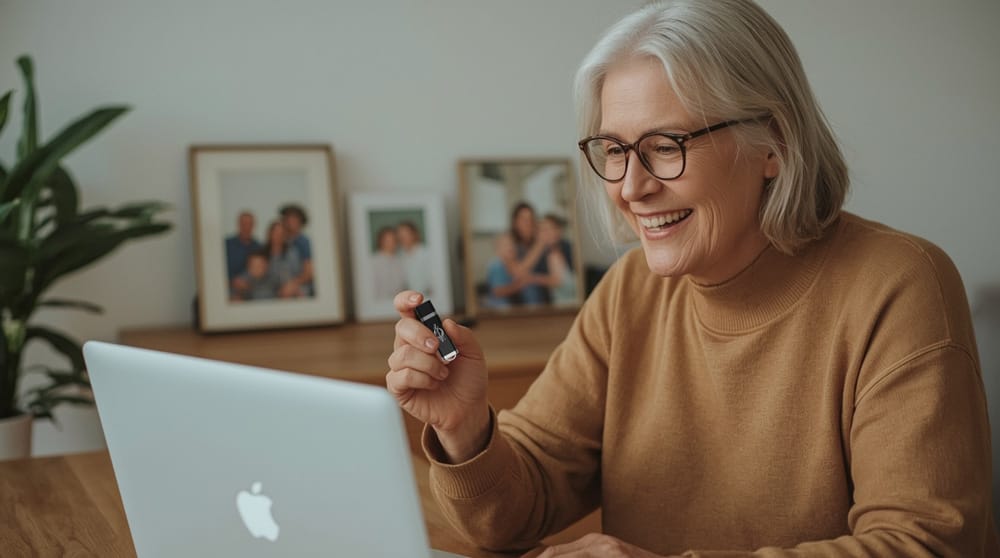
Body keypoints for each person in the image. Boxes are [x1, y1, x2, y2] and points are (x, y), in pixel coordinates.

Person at [386, 1, 998, 556]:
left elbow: (924, 544)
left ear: (774, 144)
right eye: (615, 149)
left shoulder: (900, 285)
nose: (631, 187)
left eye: (667, 144)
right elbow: (515, 511)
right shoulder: (631, 290)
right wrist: (467, 432)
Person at [508, 202, 550, 305]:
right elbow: (517, 273)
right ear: (515, 222)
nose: (528, 223)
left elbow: (557, 278)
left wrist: (533, 279)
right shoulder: (510, 244)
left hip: (546, 295)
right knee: (529, 289)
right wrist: (540, 244)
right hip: (521, 299)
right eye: (523, 219)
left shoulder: (545, 245)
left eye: (531, 219)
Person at [534, 214, 576, 305]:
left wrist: (533, 279)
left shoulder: (571, 249)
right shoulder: (540, 256)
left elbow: (560, 281)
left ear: (559, 231)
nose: (546, 233)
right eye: (542, 230)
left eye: (549, 229)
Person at [261, 220, 307, 299]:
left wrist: (291, 285)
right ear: (270, 234)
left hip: (290, 286)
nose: (278, 236)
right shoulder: (262, 253)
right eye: (275, 233)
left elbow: (298, 273)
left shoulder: (292, 252)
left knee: (301, 292)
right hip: (269, 289)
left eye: (281, 233)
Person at [279, 204, 315, 298]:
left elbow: (309, 273)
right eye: (286, 219)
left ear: (301, 221)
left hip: (300, 288)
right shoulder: (282, 241)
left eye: (293, 219)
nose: (289, 222)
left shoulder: (304, 242)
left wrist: (292, 284)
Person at [224, 211, 261, 297]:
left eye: (249, 224)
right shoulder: (226, 245)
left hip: (252, 289)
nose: (246, 227)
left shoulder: (259, 247)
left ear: (254, 226)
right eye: (244, 223)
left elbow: (261, 271)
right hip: (229, 288)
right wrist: (232, 281)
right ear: (238, 224)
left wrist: (248, 284)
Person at [371, 226, 406, 301]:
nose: (391, 243)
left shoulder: (400, 261)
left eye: (393, 240)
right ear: (381, 241)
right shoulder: (373, 261)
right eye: (387, 240)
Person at [397, 221, 431, 295]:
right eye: (400, 234)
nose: (403, 237)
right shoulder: (399, 255)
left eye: (406, 234)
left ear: (414, 234)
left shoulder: (426, 252)